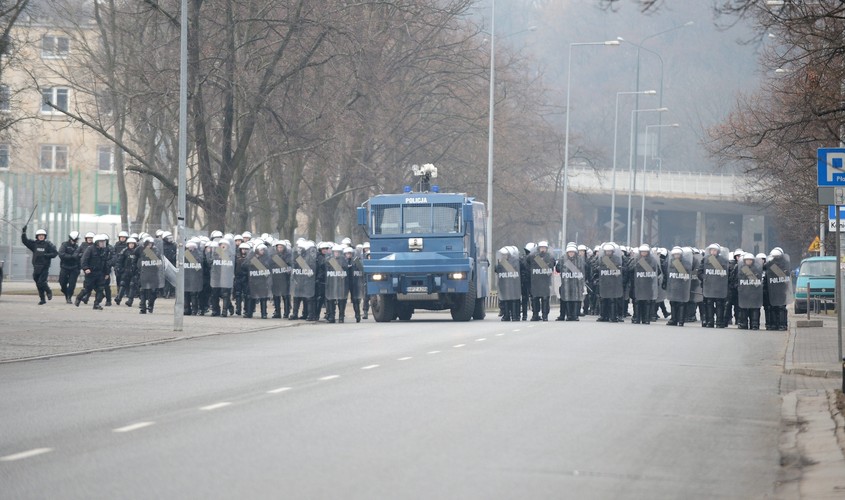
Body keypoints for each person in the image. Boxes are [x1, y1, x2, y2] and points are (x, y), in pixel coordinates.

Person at [21, 226, 58, 304]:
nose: (41, 236)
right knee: (38, 283)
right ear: (37, 236)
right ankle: (42, 299)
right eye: (39, 235)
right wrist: (24, 232)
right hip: (36, 267)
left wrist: (47, 255)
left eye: (43, 235)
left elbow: (55, 253)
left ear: (45, 237)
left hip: (45, 267)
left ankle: (48, 291)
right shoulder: (34, 244)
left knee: (41, 282)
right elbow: (25, 241)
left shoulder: (48, 244)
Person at [698, 243, 729, 328]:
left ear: (718, 251)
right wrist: (705, 279)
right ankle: (710, 322)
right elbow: (700, 272)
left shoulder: (723, 260)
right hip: (709, 287)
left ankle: (719, 322)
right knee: (709, 303)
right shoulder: (706, 259)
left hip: (719, 287)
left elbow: (726, 274)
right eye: (711, 250)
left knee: (720, 304)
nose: (713, 252)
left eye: (715, 250)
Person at [75, 234, 111, 310]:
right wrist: (85, 268)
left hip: (100, 273)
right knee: (87, 288)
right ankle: (79, 298)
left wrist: (107, 273)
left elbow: (105, 263)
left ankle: (96, 304)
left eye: (103, 242)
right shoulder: (90, 249)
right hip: (91, 273)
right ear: (97, 242)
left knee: (100, 289)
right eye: (101, 242)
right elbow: (84, 260)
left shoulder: (104, 251)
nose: (103, 244)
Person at [629, 244, 660, 325]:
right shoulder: (635, 259)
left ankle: (646, 318)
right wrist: (637, 265)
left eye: (645, 252)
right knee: (637, 301)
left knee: (647, 302)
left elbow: (657, 271)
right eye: (642, 252)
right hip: (637, 284)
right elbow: (629, 269)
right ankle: (637, 317)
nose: (643, 253)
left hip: (647, 284)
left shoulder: (652, 260)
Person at [732, 252, 764, 330]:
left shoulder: (757, 268)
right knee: (743, 309)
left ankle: (755, 323)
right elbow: (735, 280)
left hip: (754, 293)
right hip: (744, 293)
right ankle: (743, 323)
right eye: (747, 260)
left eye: (750, 260)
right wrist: (737, 287)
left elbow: (759, 281)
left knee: (755, 309)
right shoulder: (740, 268)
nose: (748, 261)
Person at [663, 246, 692, 327]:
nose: (676, 256)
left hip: (682, 286)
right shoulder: (670, 262)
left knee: (681, 303)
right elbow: (666, 272)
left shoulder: (686, 262)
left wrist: (679, 266)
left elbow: (688, 271)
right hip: (672, 285)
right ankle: (673, 319)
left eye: (678, 254)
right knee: (673, 302)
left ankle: (681, 320)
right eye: (675, 255)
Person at [556, 243, 585, 321]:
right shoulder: (562, 259)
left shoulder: (579, 259)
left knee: (575, 299)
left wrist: (582, 283)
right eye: (569, 252)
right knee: (567, 299)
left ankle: (575, 315)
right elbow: (558, 269)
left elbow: (582, 271)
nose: (571, 253)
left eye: (572, 252)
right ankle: (568, 315)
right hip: (566, 283)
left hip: (576, 283)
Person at [764, 248, 791, 331]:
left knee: (781, 307)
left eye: (777, 257)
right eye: (775, 257)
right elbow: (762, 270)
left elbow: (787, 275)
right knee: (772, 307)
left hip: (781, 290)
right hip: (771, 290)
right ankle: (773, 324)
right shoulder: (769, 264)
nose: (776, 259)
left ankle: (782, 324)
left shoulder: (785, 264)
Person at [596, 243, 624, 322]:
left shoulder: (617, 259)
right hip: (604, 282)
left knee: (613, 300)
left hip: (613, 282)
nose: (608, 252)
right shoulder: (601, 258)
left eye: (609, 251)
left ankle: (613, 316)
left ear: (612, 251)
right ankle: (603, 316)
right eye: (607, 251)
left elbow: (619, 270)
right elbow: (596, 268)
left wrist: (609, 265)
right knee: (603, 300)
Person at [528, 240, 555, 321]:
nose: (542, 249)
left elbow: (551, 267)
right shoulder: (533, 257)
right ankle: (535, 315)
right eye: (541, 248)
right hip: (535, 281)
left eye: (544, 248)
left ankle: (545, 315)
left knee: (545, 299)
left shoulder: (549, 257)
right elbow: (528, 262)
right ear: (538, 248)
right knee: (535, 299)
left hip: (545, 282)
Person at [137, 236, 164, 314]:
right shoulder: (140, 250)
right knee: (142, 291)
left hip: (153, 274)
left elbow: (159, 263)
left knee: (153, 292)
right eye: (147, 244)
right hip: (143, 274)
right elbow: (136, 260)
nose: (149, 245)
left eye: (150, 244)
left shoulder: (156, 251)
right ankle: (143, 308)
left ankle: (150, 305)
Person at [245, 243, 273, 319]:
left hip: (262, 280)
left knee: (263, 298)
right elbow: (244, 265)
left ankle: (264, 313)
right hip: (253, 280)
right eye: (261, 250)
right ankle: (249, 313)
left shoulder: (267, 257)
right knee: (252, 297)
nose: (262, 251)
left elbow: (269, 267)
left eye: (263, 250)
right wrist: (252, 261)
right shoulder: (251, 257)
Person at [324, 245, 349, 323]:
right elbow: (326, 270)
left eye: (338, 252)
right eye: (335, 252)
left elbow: (345, 270)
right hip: (332, 283)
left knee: (341, 300)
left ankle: (341, 316)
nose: (336, 253)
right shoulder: (329, 260)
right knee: (331, 299)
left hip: (341, 284)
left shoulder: (344, 261)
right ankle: (332, 316)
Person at [269, 240, 293, 319]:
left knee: (285, 296)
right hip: (275, 278)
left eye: (281, 247)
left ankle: (286, 313)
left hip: (285, 278)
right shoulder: (273, 255)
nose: (279, 248)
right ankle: (277, 312)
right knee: (276, 296)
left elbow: (290, 264)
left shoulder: (288, 255)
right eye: (278, 247)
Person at [58, 231, 80, 303]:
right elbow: (61, 254)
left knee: (72, 284)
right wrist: (71, 257)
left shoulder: (77, 247)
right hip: (65, 267)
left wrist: (79, 268)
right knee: (62, 282)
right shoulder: (64, 245)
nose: (76, 241)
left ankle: (69, 297)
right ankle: (65, 291)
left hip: (74, 268)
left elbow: (79, 257)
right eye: (76, 239)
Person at [116, 237, 139, 307]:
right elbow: (119, 261)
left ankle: (130, 301)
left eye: (133, 244)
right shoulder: (124, 251)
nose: (131, 245)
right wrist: (120, 269)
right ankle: (118, 298)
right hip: (126, 271)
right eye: (130, 244)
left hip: (134, 272)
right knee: (123, 284)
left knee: (132, 285)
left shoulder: (138, 251)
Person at [183, 241, 205, 315]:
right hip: (186, 278)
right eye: (189, 248)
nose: (190, 249)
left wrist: (188, 255)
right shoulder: (184, 254)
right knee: (186, 294)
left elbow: (198, 265)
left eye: (191, 247)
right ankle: (186, 309)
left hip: (194, 278)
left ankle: (194, 310)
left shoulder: (198, 255)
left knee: (193, 295)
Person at [345, 246, 365, 323]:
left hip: (354, 283)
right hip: (345, 283)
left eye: (350, 253)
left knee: (355, 300)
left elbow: (361, 269)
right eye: (347, 253)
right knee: (342, 300)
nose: (348, 255)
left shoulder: (356, 260)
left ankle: (357, 315)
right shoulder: (343, 261)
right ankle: (341, 316)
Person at [520, 242, 536, 321]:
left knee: (525, 298)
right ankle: (534, 314)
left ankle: (525, 315)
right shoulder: (535, 258)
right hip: (530, 280)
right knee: (532, 298)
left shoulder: (522, 258)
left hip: (526, 280)